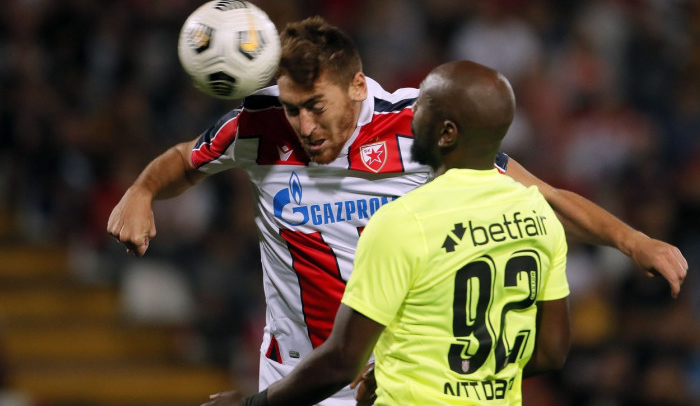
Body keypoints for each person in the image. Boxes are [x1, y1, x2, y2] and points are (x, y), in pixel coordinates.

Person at [107, 16, 687, 406]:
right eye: (291, 109)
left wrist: (633, 241)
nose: (304, 126)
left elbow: (538, 197)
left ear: (358, 86)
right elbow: (186, 159)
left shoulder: (418, 125)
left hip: (394, 381)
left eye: (315, 107)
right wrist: (142, 191)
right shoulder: (257, 127)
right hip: (294, 378)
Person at [206, 59, 571, 406]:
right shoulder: (537, 213)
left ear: (446, 132)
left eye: (424, 105)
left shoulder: (404, 222)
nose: (408, 113)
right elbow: (552, 352)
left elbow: (343, 362)